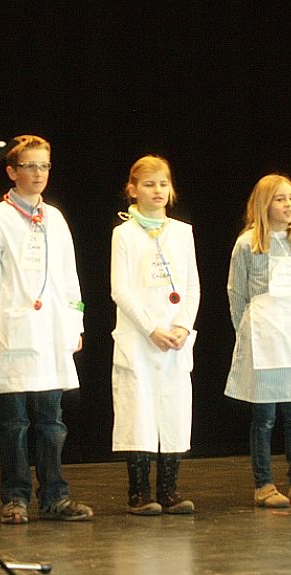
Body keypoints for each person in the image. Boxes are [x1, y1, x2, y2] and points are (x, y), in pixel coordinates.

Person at [0, 135, 92, 524]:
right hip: (12, 334)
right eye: (30, 166)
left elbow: (71, 278)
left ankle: (55, 496)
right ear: (12, 171)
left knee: (52, 423)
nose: (38, 173)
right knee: (14, 424)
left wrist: (76, 322)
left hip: (52, 335)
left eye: (44, 166)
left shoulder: (55, 218)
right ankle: (15, 497)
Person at [224, 174, 291, 508]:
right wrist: (245, 330)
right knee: (264, 415)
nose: (288, 205)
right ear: (264, 204)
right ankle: (264, 484)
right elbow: (236, 291)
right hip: (262, 332)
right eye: (280, 199)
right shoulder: (247, 244)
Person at [109, 155, 200, 516]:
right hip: (140, 338)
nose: (157, 190)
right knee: (139, 413)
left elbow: (192, 286)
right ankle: (139, 492)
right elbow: (120, 289)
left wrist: (183, 325)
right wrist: (151, 328)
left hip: (175, 339)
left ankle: (169, 490)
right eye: (149, 184)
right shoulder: (124, 234)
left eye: (163, 183)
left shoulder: (182, 232)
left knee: (173, 411)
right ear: (132, 190)